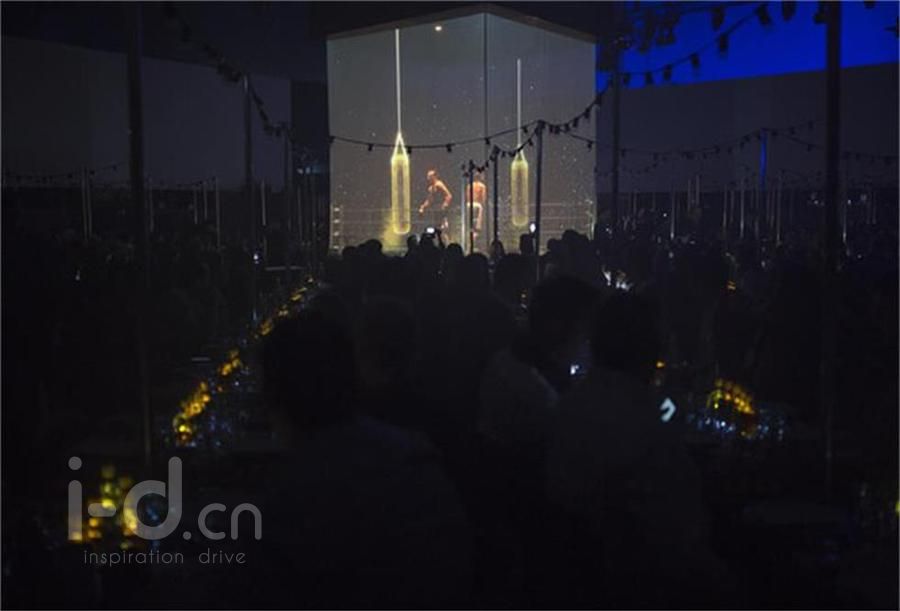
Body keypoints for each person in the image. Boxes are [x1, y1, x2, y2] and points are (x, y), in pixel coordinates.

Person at [418, 169, 453, 236]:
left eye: (430, 176)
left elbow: (449, 195)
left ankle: (446, 239)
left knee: (444, 226)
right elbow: (429, 200)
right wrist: (423, 207)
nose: (428, 178)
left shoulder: (439, 184)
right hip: (436, 210)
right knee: (437, 226)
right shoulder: (431, 188)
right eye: (428, 176)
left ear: (434, 176)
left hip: (442, 210)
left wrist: (445, 204)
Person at [465, 171, 486, 249]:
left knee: (470, 224)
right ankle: (473, 241)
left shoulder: (469, 186)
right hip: (477, 205)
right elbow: (483, 199)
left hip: (469, 205)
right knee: (477, 226)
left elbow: (467, 197)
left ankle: (470, 241)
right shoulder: (482, 186)